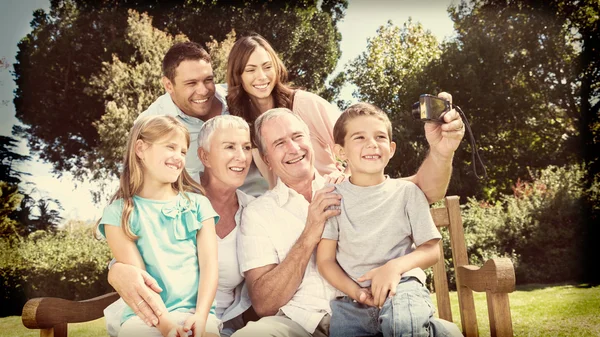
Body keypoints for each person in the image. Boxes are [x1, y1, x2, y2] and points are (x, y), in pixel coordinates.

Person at [231, 105, 463, 337]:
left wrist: (442, 151)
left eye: (298, 136)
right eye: (279, 143)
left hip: (389, 302)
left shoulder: (352, 184)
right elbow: (264, 304)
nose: (293, 148)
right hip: (305, 320)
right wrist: (310, 233)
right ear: (266, 159)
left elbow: (419, 188)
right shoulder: (258, 213)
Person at [316, 103, 461, 337]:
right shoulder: (333, 199)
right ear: (340, 152)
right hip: (353, 303)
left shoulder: (407, 193)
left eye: (380, 137)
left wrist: (394, 268)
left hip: (402, 290)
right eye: (359, 137)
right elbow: (325, 261)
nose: (372, 144)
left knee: (404, 326)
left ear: (391, 148)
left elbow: (432, 250)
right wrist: (357, 293)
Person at [106, 115, 258, 337]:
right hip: (145, 318)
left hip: (196, 316)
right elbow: (140, 280)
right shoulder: (119, 213)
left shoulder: (197, 205)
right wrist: (167, 326)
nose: (178, 157)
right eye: (170, 147)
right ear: (140, 148)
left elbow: (209, 269)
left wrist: (201, 316)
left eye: (183, 151)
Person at [139, 41, 268, 197]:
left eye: (208, 80)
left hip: (261, 202)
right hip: (202, 216)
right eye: (191, 83)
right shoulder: (149, 123)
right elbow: (140, 184)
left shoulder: (238, 98)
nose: (203, 90)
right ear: (168, 85)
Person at [226, 34, 345, 187]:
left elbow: (356, 142)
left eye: (267, 67)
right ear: (238, 76)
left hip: (334, 197)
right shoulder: (241, 125)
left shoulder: (304, 104)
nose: (261, 76)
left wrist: (346, 176)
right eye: (250, 70)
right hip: (289, 208)